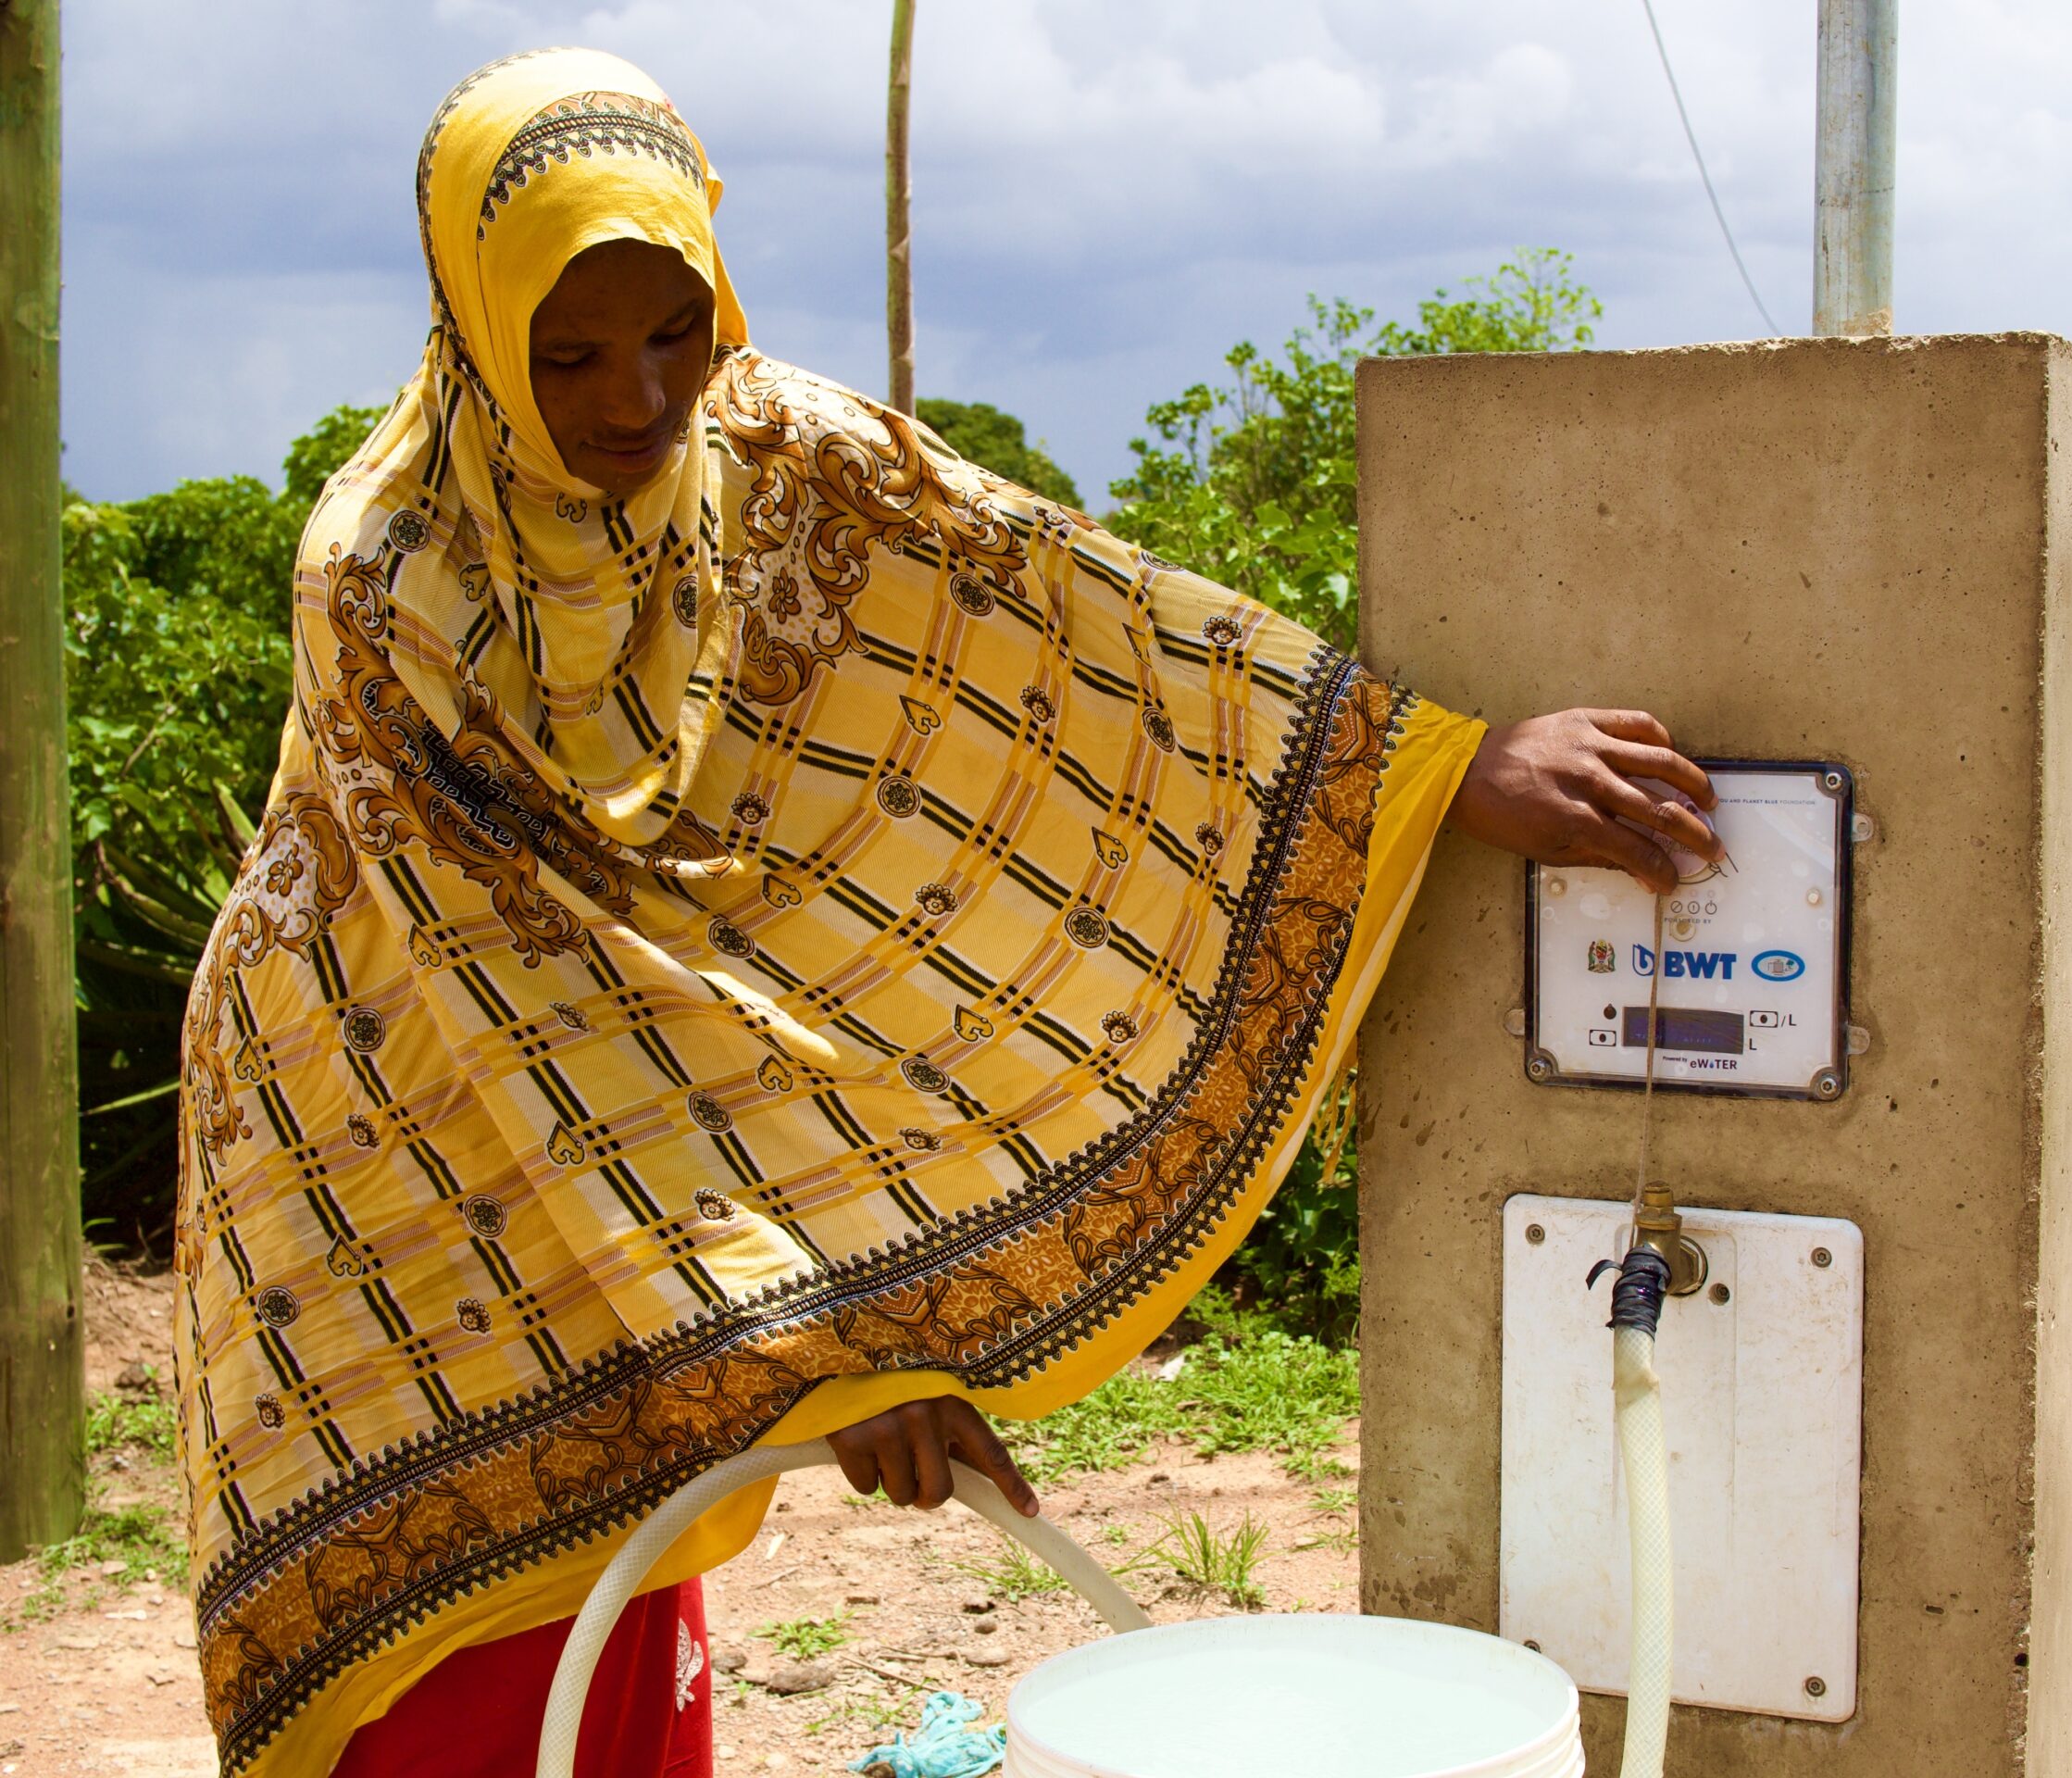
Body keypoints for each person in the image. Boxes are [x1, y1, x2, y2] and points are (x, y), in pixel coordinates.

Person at [170, 46, 1724, 1778]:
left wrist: (1428, 769)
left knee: (629, 1557)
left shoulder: (773, 454)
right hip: (391, 1146)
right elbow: (548, 1000)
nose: (639, 399)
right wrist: (826, 1349)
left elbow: (1091, 637)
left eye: (674, 331)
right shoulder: (388, 578)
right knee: (457, 1658)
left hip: (634, 1142)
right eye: (570, 352)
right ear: (472, 322)